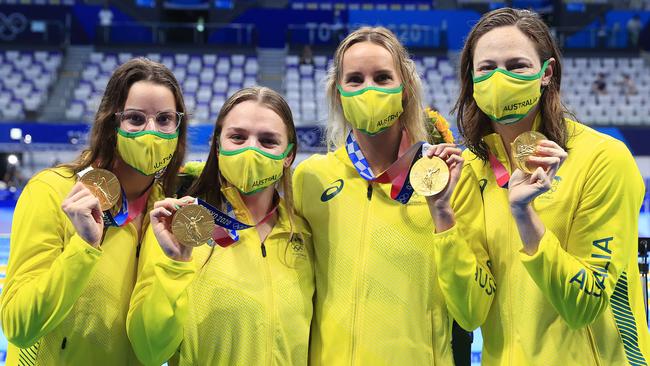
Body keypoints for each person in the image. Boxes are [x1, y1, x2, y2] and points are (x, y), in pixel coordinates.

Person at [452, 8, 649, 364]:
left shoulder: (604, 159)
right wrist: (441, 215)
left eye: (517, 65)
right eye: (487, 68)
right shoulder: (469, 169)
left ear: (547, 73)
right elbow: (469, 313)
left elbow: (584, 307)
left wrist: (524, 215)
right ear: (472, 77)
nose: (500, 77)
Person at [293, 26, 493, 365]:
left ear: (404, 89)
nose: (368, 89)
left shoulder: (448, 177)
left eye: (383, 77)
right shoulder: (311, 178)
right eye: (355, 79)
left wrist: (442, 214)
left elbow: (472, 311)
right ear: (338, 92)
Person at [1, 58, 187, 364]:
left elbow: (154, 353)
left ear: (179, 126)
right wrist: (83, 247)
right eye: (136, 119)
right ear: (112, 123)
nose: (152, 132)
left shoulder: (167, 215)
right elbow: (18, 326)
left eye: (165, 119)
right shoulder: (53, 190)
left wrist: (177, 265)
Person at [127, 87, 314, 365]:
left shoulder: (303, 236)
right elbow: (149, 350)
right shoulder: (182, 226)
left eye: (267, 141)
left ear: (288, 155)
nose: (251, 149)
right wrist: (175, 265)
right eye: (238, 137)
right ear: (218, 145)